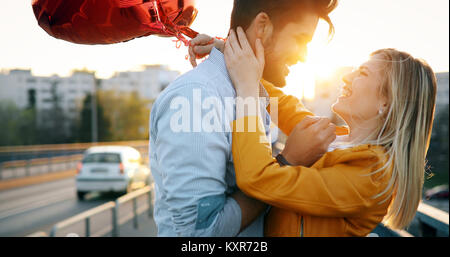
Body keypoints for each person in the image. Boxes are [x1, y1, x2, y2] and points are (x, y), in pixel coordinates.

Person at [211, 28, 436, 236]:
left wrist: (247, 91)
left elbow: (257, 178)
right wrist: (228, 53)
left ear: (387, 102)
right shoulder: (336, 138)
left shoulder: (372, 175)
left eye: (362, 74)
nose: (346, 77)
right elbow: (283, 105)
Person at [149, 0, 338, 236]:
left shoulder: (254, 91)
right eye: (300, 40)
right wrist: (287, 164)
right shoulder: (195, 98)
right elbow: (198, 235)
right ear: (262, 26)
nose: (304, 57)